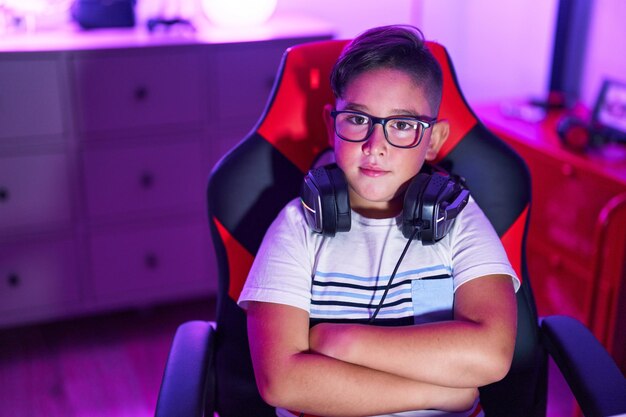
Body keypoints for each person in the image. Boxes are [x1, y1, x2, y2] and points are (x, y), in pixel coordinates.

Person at [238, 25, 519, 417]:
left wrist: (340, 341)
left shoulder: (462, 222)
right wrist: (441, 393)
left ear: (434, 139)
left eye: (402, 125)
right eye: (357, 119)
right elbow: (281, 382)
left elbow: (490, 356)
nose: (376, 145)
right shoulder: (296, 228)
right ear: (330, 125)